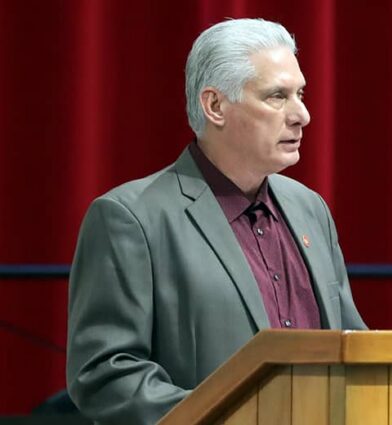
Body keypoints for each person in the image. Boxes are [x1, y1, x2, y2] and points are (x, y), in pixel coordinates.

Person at [66, 18, 367, 425]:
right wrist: (235, 417)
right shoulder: (130, 218)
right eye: (277, 96)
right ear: (215, 106)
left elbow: (353, 344)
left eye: (300, 93)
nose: (302, 115)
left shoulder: (309, 208)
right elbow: (105, 373)